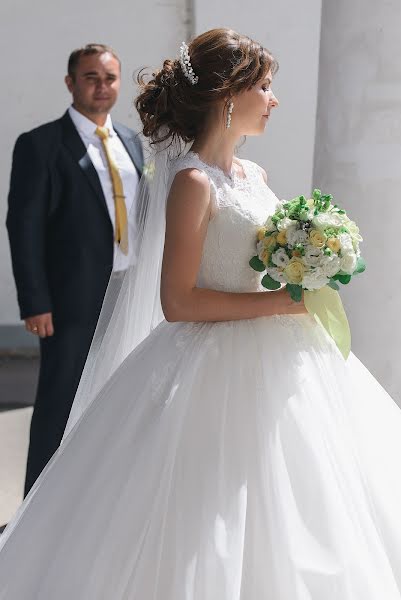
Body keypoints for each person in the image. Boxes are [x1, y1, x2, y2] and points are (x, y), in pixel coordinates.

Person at [1, 28, 401, 599]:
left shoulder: (253, 177)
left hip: (287, 353)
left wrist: (308, 266)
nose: (274, 98)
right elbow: (178, 301)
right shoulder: (192, 182)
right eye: (264, 85)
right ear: (228, 94)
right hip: (215, 360)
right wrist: (282, 301)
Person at [6, 43, 144, 495]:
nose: (101, 87)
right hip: (71, 299)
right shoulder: (40, 145)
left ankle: (97, 499)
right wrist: (35, 300)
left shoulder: (132, 143)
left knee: (120, 400)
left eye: (109, 78)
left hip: (130, 292)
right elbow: (22, 226)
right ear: (71, 83)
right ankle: (35, 508)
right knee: (58, 403)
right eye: (91, 77)